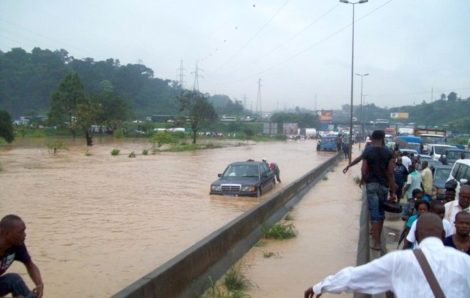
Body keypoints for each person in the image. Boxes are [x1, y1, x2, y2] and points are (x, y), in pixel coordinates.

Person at [304, 213, 470, 298]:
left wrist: (320, 286)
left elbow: (354, 277)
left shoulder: (399, 260)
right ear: (442, 235)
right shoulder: (465, 261)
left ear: (417, 236)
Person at [361, 130, 396, 250]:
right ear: (383, 138)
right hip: (384, 185)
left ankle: (375, 242)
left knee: (374, 214)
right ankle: (378, 241)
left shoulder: (368, 151)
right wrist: (393, 191)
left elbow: (364, 170)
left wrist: (364, 180)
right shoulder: (389, 152)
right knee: (381, 213)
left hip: (371, 184)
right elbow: (391, 173)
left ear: (372, 138)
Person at [0, 214, 44, 298]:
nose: (24, 235)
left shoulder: (17, 245)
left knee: (14, 280)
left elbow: (30, 265)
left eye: (24, 231)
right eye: (20, 232)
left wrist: (39, 285)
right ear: (5, 233)